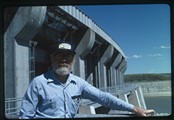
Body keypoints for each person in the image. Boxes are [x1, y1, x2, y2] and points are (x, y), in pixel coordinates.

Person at [19, 42, 155, 119]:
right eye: (59, 55)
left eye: (68, 56)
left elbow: (104, 98)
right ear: (52, 58)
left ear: (73, 60)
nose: (63, 60)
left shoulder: (78, 83)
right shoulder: (39, 82)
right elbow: (25, 116)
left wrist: (134, 109)